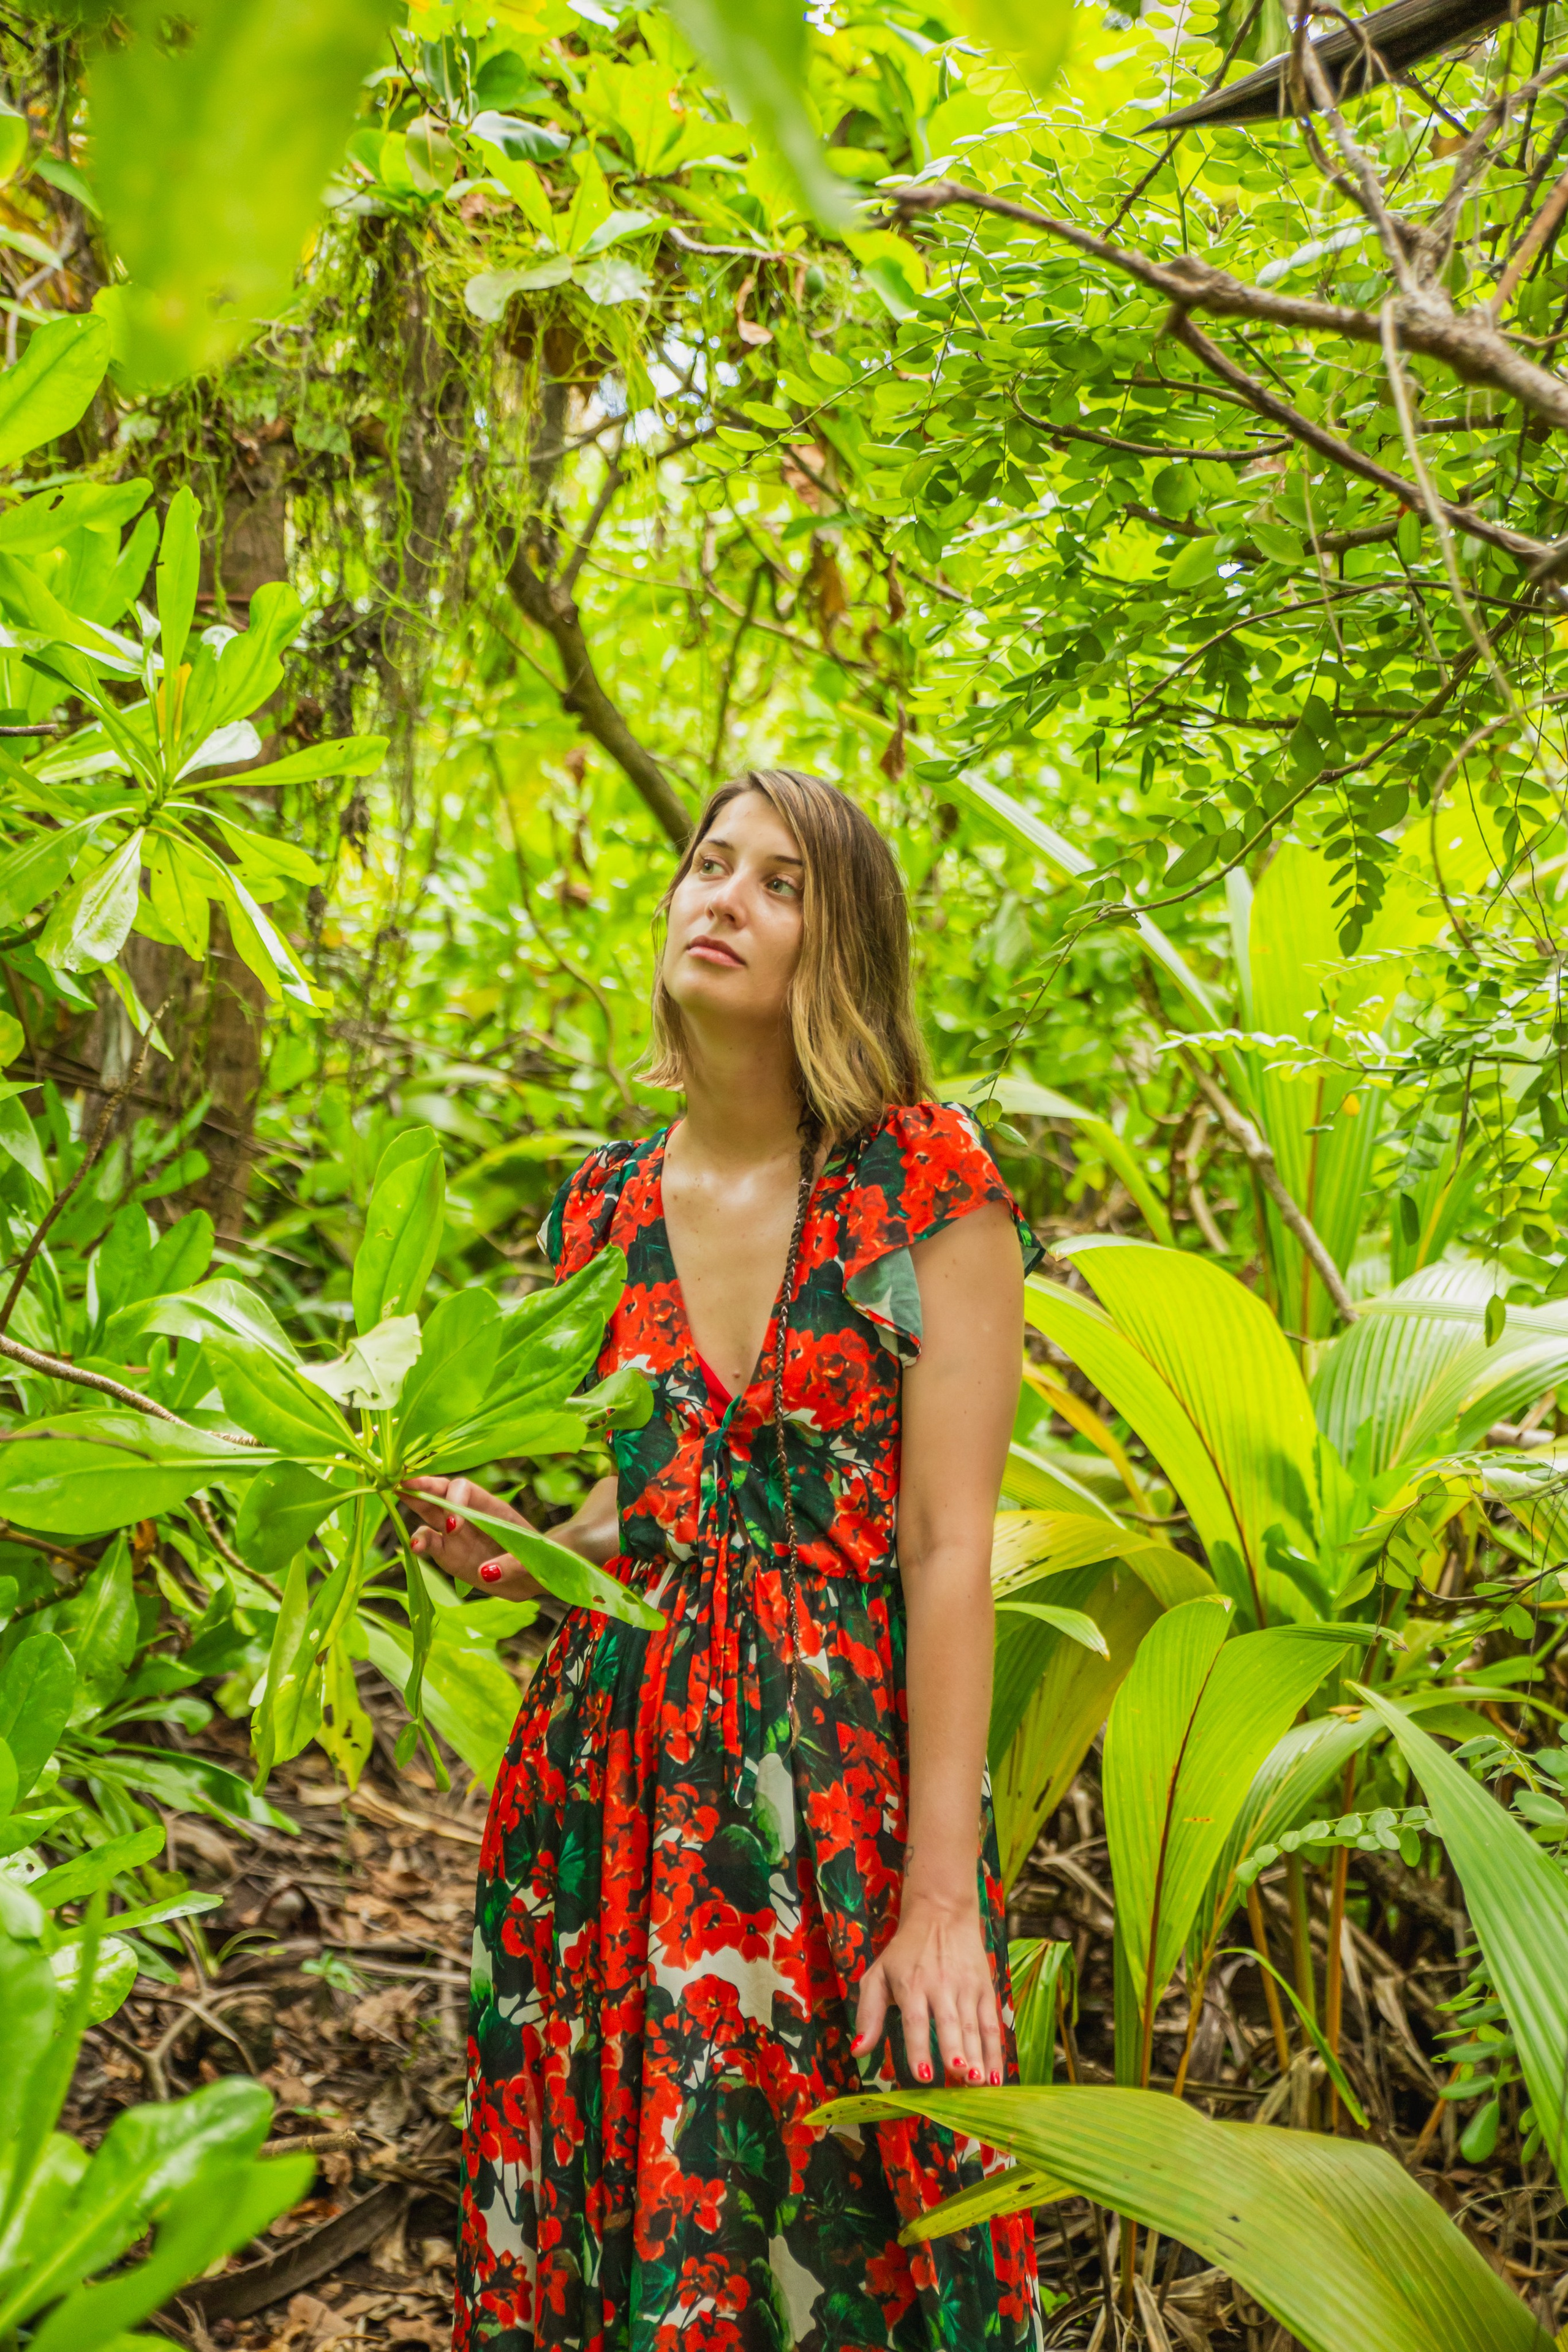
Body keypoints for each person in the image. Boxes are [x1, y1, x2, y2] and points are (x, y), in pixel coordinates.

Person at [407, 769, 1044, 2352]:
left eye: (779, 883)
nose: (724, 899)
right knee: (623, 2217)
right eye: (709, 865)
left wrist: (941, 1896)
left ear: (844, 949)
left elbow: (946, 1545)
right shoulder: (601, 1211)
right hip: (609, 1791)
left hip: (835, 1795)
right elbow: (663, 1501)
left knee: (872, 2212)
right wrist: (523, 1554)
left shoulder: (926, 1185)